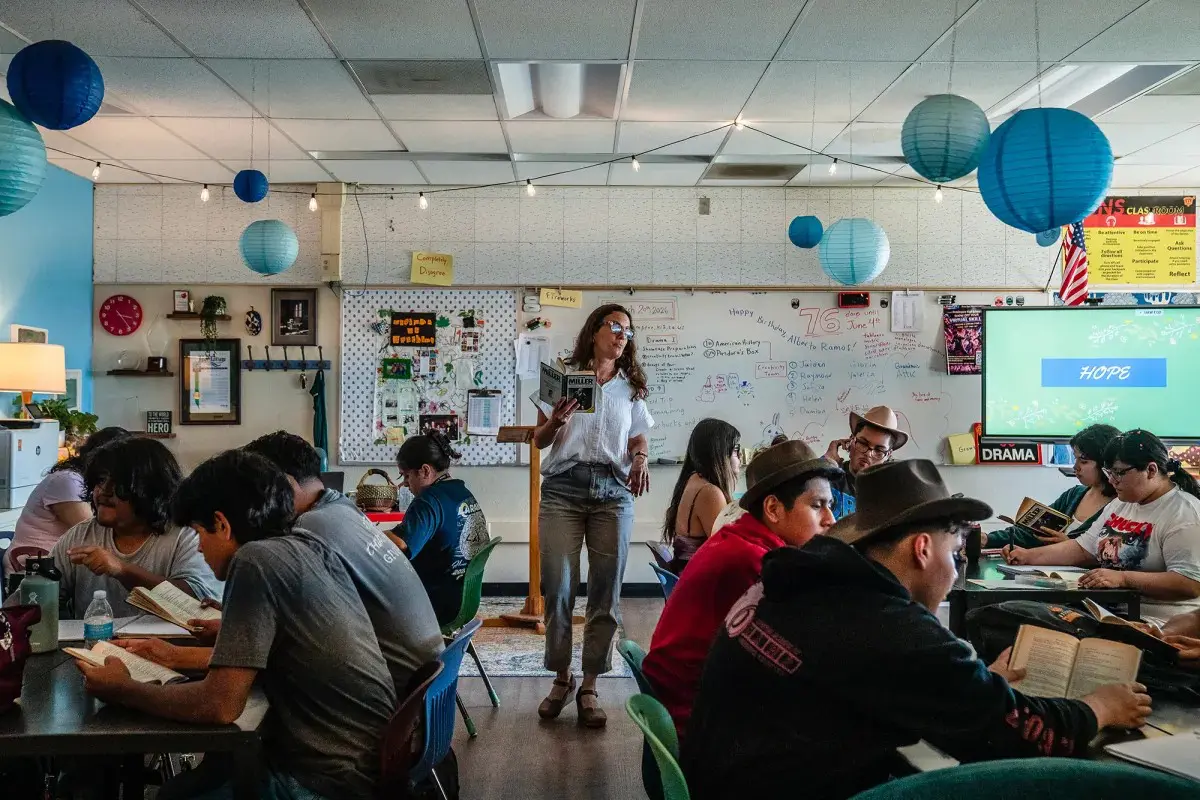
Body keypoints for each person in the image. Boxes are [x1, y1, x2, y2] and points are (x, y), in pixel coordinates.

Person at [682, 460, 1153, 800]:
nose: (953, 572)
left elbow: (858, 684)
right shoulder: (887, 624)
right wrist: (1100, 706)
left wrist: (966, 689)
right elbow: (1021, 741)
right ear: (923, 549)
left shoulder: (799, 581)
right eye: (955, 555)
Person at [75, 450, 396, 800]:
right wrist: (172, 655)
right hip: (364, 759)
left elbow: (220, 705)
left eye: (199, 533)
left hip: (327, 779)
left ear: (223, 525)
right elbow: (280, 654)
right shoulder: (305, 546)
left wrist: (122, 689)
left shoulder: (254, 561)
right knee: (206, 773)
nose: (199, 547)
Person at [642, 439, 838, 737]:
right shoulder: (753, 561)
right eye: (817, 506)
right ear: (773, 508)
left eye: (831, 506)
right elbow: (793, 657)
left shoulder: (742, 540)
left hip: (690, 705)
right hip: (698, 724)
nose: (831, 520)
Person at [244, 431, 444, 693]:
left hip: (395, 691)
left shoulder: (309, 527)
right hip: (425, 680)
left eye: (261, 491)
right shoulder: (342, 506)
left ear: (285, 484)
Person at [532, 303, 653, 728]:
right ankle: (561, 679)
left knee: (606, 592)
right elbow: (539, 440)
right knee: (559, 585)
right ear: (595, 330)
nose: (622, 336)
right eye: (615, 326)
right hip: (564, 488)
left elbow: (638, 437)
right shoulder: (562, 374)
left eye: (628, 331)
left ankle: (589, 685)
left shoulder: (630, 385)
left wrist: (639, 459)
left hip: (613, 491)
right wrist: (557, 420)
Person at [1005, 429, 1200, 621]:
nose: (1111, 480)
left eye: (1119, 473)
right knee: (1011, 611)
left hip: (1153, 621)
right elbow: (1082, 549)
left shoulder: (1185, 513)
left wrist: (1123, 579)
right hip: (1104, 609)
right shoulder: (1122, 502)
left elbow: (1190, 583)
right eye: (1109, 472)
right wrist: (1028, 556)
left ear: (1151, 470)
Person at [50, 437, 219, 617]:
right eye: (100, 481)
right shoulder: (81, 535)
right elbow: (41, 595)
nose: (104, 491)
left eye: (119, 485)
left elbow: (196, 603)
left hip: (167, 644)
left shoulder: (186, 535)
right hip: (94, 643)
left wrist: (121, 570)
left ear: (151, 491)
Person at [385, 431, 489, 626]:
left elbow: (400, 543)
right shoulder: (462, 492)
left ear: (424, 471)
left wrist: (363, 531)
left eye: (406, 476)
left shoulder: (429, 500)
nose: (405, 484)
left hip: (435, 603)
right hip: (463, 600)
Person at [5, 426, 130, 576]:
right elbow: (92, 532)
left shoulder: (89, 481)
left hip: (59, 563)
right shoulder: (68, 480)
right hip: (33, 566)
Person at [988, 424, 1120, 548]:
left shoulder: (1121, 505)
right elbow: (1031, 533)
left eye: (1084, 461)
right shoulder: (1073, 495)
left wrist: (1070, 547)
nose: (1076, 467)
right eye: (1075, 459)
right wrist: (988, 539)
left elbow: (1110, 554)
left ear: (1105, 463)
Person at [661, 418, 741, 574]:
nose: (740, 457)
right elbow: (727, 550)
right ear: (719, 453)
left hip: (688, 573)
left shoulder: (693, 479)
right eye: (736, 450)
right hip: (699, 580)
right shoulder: (709, 492)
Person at [822, 405, 908, 518]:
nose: (868, 453)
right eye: (863, 443)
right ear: (851, 440)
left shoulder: (892, 493)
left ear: (888, 455)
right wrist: (825, 463)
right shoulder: (828, 475)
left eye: (879, 450)